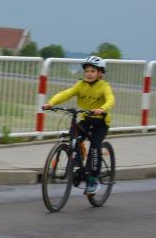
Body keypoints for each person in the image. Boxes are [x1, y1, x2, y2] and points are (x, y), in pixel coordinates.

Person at [42, 55, 115, 194]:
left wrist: (102, 108)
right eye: (87, 71)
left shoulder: (104, 86)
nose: (89, 74)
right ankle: (78, 160)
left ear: (100, 73)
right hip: (86, 120)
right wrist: (51, 103)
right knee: (73, 134)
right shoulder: (80, 85)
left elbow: (110, 99)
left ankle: (93, 179)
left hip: (101, 122)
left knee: (95, 147)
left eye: (93, 71)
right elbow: (66, 93)